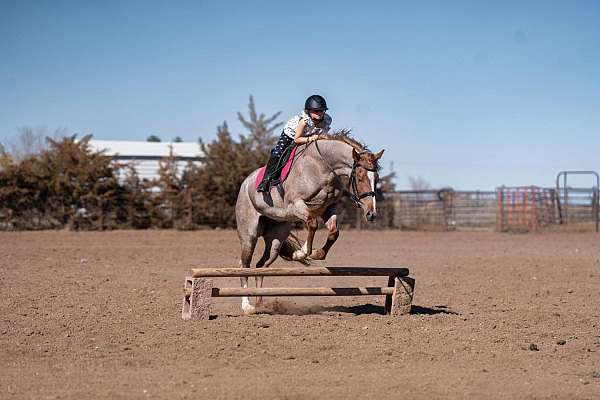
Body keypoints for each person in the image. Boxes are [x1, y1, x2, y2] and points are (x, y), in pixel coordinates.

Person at [257, 94, 332, 192]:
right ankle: (266, 180)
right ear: (308, 111)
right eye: (316, 111)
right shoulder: (304, 121)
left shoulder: (327, 120)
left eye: (322, 110)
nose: (319, 113)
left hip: (310, 135)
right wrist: (312, 138)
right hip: (291, 135)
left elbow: (322, 136)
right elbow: (297, 139)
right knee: (277, 153)